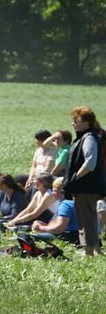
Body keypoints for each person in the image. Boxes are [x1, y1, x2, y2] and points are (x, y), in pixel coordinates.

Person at [62, 106, 105, 256]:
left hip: (86, 186)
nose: (73, 124)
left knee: (85, 219)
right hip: (86, 187)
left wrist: (75, 177)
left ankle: (88, 252)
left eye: (77, 120)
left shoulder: (89, 138)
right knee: (89, 218)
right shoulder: (85, 138)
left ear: (87, 123)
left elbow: (90, 163)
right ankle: (95, 250)